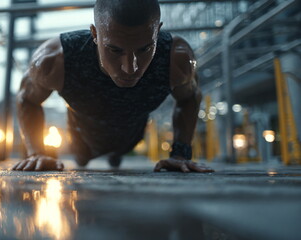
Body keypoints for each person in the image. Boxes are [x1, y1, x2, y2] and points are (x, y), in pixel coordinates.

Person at [13, 0, 214, 173]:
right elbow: (27, 98)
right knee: (81, 159)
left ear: (157, 32)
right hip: (82, 139)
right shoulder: (53, 60)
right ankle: (98, 155)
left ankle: (115, 156)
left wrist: (181, 154)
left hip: (132, 137)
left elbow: (190, 97)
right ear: (94, 34)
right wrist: (37, 153)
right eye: (114, 50)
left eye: (145, 49)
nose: (130, 67)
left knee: (118, 155)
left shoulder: (177, 59)